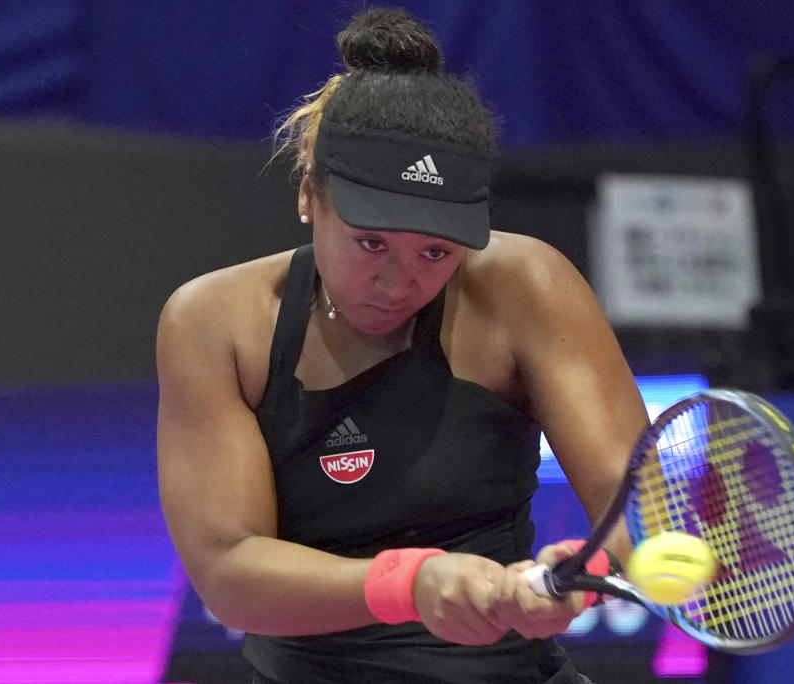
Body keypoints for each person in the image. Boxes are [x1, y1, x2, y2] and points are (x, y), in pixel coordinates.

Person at [156, 8, 648, 683]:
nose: (397, 281)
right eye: (370, 241)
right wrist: (409, 582)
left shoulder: (528, 285)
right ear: (309, 194)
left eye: (435, 251)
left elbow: (633, 510)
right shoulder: (214, 322)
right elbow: (228, 572)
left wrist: (590, 569)